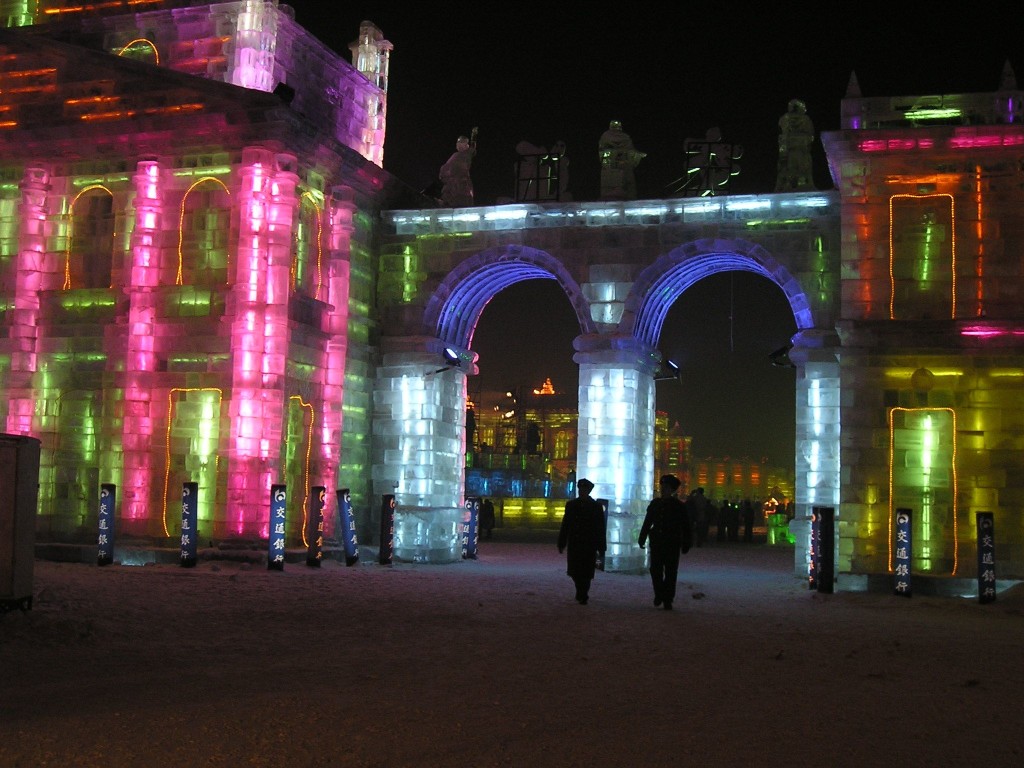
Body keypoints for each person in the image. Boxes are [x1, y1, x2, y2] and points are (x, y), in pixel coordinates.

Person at [637, 474, 692, 610]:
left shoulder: (678, 506)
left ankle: (668, 599)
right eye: (662, 487)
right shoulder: (655, 504)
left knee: (671, 572)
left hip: (672, 542)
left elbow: (685, 526)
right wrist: (642, 537)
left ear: (672, 490)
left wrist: (686, 543)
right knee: (655, 570)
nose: (663, 489)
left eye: (666, 487)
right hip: (657, 542)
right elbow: (648, 521)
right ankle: (659, 593)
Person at [557, 478, 606, 605]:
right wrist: (562, 542)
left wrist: (601, 547)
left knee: (587, 571)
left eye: (584, 489)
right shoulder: (572, 505)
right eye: (580, 489)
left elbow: (600, 528)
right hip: (575, 543)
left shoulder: (595, 507)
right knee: (574, 571)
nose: (582, 491)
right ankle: (581, 590)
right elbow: (566, 525)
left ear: (588, 491)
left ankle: (583, 593)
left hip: (589, 544)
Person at [598, 120, 645, 200]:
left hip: (614, 165)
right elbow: (631, 151)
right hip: (618, 165)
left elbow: (601, 150)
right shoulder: (625, 137)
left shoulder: (606, 136)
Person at [775, 98, 815, 192]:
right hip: (799, 149)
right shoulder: (805, 119)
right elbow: (811, 136)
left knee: (789, 167)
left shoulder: (785, 118)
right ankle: (797, 183)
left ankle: (790, 184)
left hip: (793, 149)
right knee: (800, 166)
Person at [439, 127, 478, 207]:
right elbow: (446, 168)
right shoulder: (455, 155)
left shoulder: (467, 154)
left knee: (461, 197)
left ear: (466, 145)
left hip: (462, 184)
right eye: (458, 143)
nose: (458, 144)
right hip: (451, 183)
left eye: (462, 142)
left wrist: (473, 135)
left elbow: (473, 147)